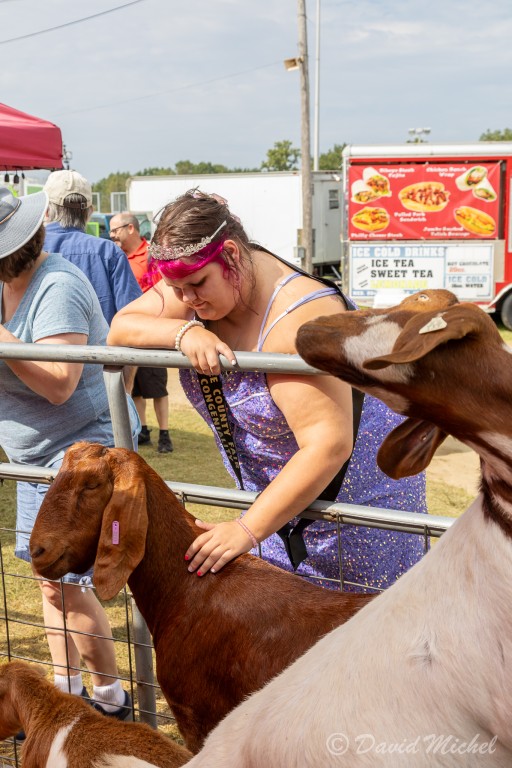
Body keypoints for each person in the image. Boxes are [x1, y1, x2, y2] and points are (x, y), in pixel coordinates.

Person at [108, 190, 428, 592]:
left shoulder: (296, 320)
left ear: (230, 255)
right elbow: (121, 326)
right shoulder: (201, 287)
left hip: (349, 515)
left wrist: (245, 529)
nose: (187, 299)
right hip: (275, 511)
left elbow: (327, 445)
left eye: (196, 284)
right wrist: (182, 331)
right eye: (175, 290)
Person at [0, 186, 139, 733]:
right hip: (36, 459)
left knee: (71, 585)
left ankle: (107, 699)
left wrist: (2, 341)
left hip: (79, 461)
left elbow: (60, 384)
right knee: (51, 584)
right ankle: (68, 696)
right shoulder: (7, 283)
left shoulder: (55, 285)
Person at [43, 170, 142, 326]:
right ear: (89, 212)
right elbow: (133, 318)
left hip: (32, 349)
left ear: (46, 210)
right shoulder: (109, 252)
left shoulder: (25, 249)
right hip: (99, 349)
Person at [109, 211, 172, 453]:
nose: (112, 234)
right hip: (128, 331)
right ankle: (143, 428)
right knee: (133, 387)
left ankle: (164, 434)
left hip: (151, 330)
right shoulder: (117, 257)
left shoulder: (151, 255)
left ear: (131, 229)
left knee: (156, 385)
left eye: (116, 230)